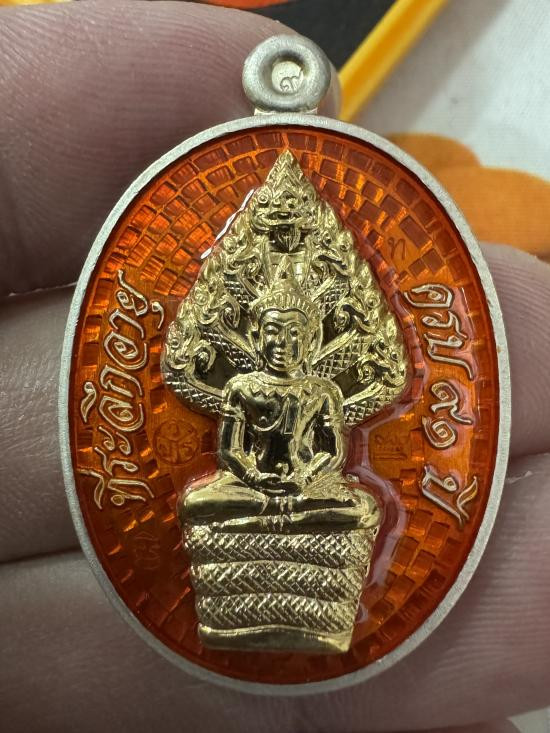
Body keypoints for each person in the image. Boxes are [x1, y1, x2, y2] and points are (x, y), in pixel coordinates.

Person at [1, 2, 550, 732]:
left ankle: (312, 603)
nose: (283, 344)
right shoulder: (245, 383)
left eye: (294, 333)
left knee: (354, 506)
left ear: (312, 331)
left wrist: (303, 479)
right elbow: (230, 446)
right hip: (247, 493)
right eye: (271, 333)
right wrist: (260, 477)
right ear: (256, 333)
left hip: (314, 495)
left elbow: (330, 446)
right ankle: (243, 607)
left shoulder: (320, 385)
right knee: (205, 501)